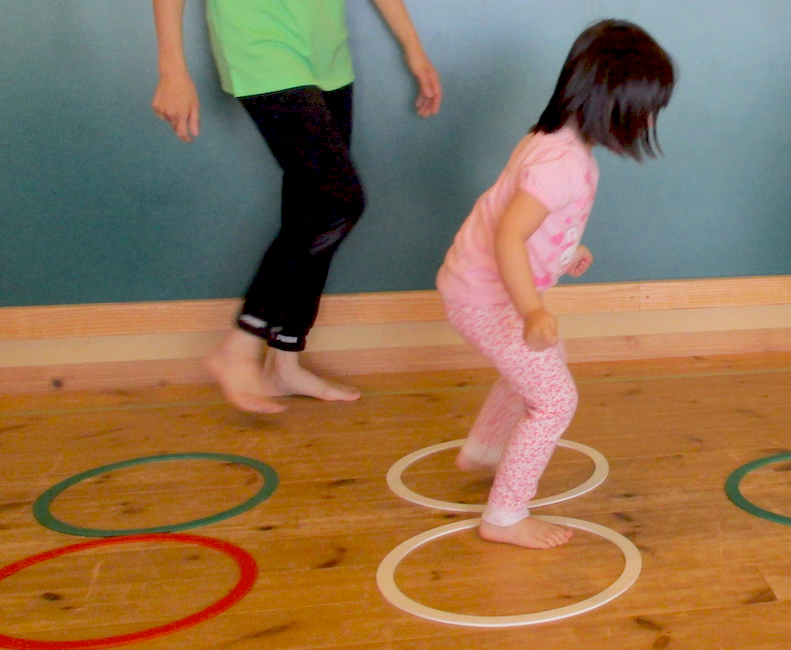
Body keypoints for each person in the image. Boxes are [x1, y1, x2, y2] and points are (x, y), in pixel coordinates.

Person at [436, 19, 676, 549]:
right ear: (613, 103)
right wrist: (532, 312)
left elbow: (531, 218)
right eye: (646, 109)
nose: (649, 120)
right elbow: (508, 236)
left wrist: (568, 249)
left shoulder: (552, 141)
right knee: (554, 401)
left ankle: (483, 449)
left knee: (538, 366)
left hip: (478, 287)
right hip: (486, 297)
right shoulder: (561, 162)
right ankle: (504, 515)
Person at [151, 0, 442, 414]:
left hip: (327, 49)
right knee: (337, 202)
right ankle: (242, 342)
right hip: (260, 43)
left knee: (310, 206)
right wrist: (171, 69)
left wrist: (414, 48)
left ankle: (283, 362)